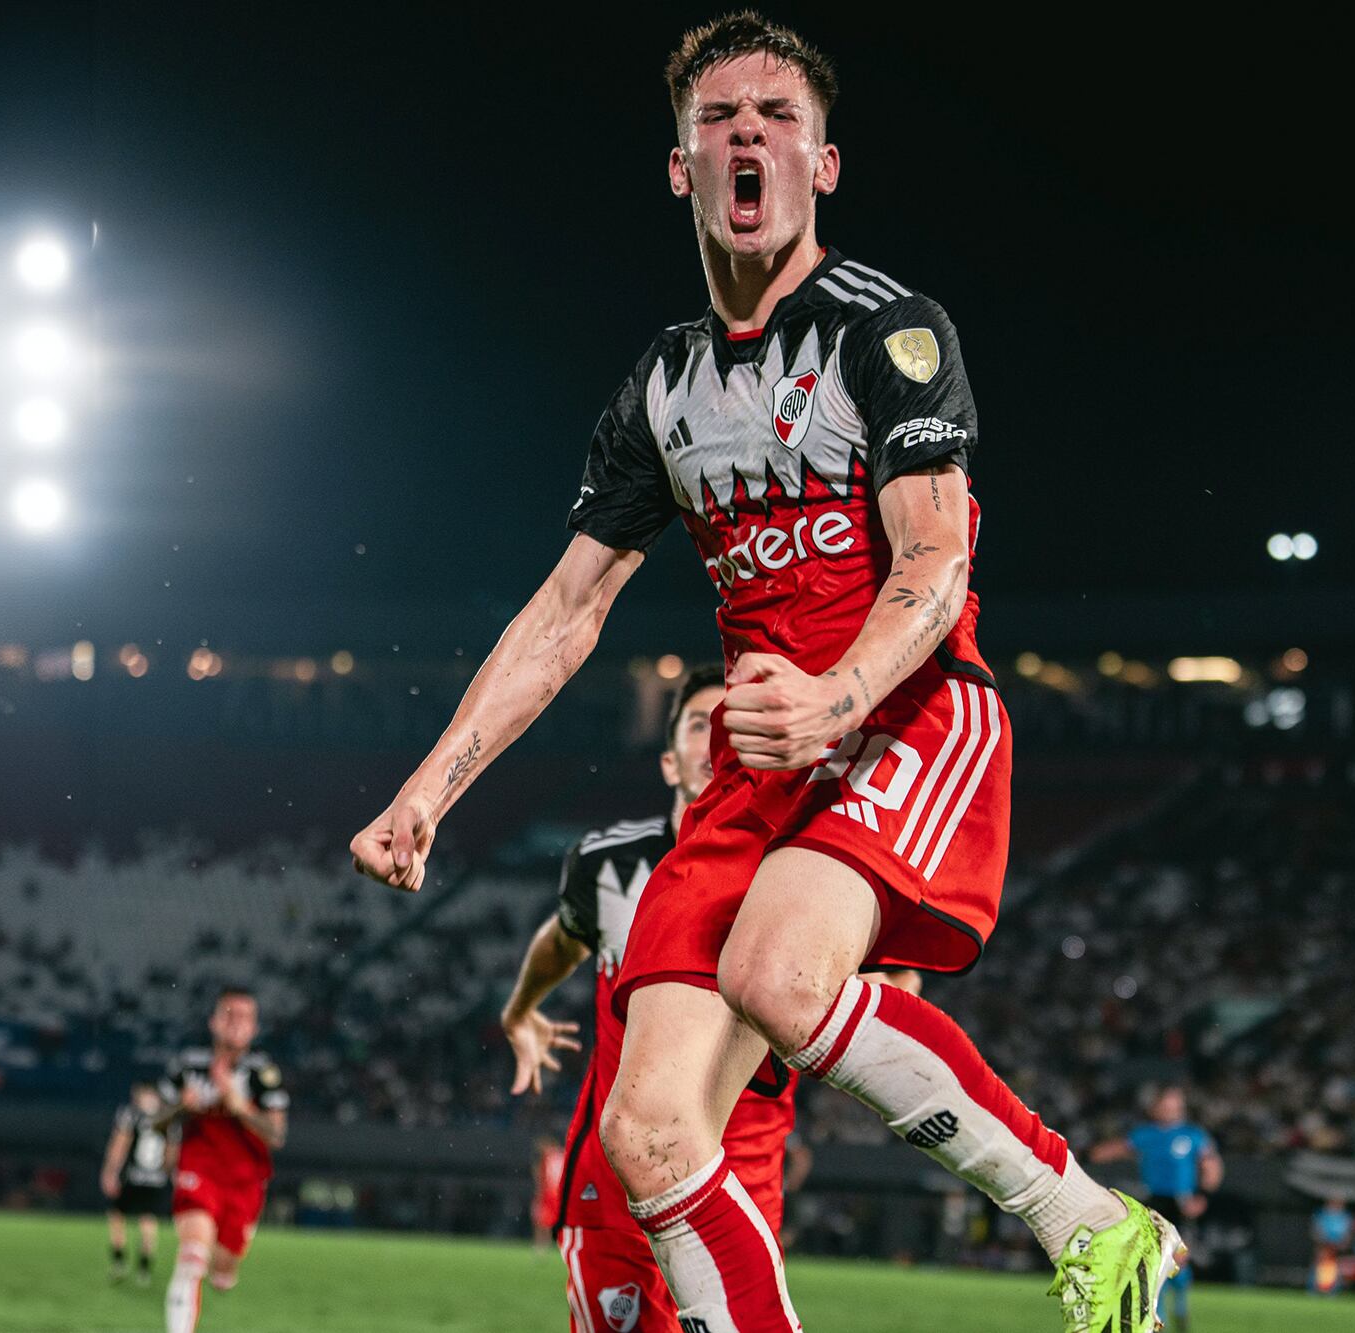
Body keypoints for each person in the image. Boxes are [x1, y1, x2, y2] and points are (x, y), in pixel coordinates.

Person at [350, 14, 1181, 1330]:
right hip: (761, 762)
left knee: (778, 980)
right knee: (648, 1129)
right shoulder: (662, 390)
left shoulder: (888, 331)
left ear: (824, 164)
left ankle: (1091, 1219)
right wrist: (429, 790)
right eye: (719, 120)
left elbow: (934, 565)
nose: (748, 135)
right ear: (682, 170)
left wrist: (839, 694)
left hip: (907, 714)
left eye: (777, 116)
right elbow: (568, 610)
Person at [507, 666, 904, 1332]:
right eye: (699, 723)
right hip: (613, 1182)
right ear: (668, 763)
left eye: (733, 717)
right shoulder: (609, 862)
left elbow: (894, 983)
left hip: (741, 1179)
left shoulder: (807, 869)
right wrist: (521, 1009)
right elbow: (562, 937)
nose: (719, 732)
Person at [154, 987, 289, 1333]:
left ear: (255, 1028)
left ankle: (225, 1266)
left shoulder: (263, 1073)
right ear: (214, 1021)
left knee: (223, 1271)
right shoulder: (188, 1065)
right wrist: (183, 1106)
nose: (236, 1024)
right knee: (192, 1256)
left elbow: (276, 1135)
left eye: (245, 1018)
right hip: (200, 1168)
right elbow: (155, 1120)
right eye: (229, 1014)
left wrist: (240, 1107)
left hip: (244, 1180)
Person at [1090, 1086, 1222, 1330]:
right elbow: (1114, 1149)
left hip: (1182, 1203)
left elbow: (1212, 1166)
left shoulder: (1192, 1135)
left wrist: (1202, 1196)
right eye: (1168, 1104)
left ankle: (1180, 1305)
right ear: (1156, 1107)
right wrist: (1082, 1154)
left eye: (1176, 1105)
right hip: (1154, 1204)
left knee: (1179, 1257)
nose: (1172, 1109)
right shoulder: (1146, 1134)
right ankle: (1157, 1313)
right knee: (1152, 1260)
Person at [100, 1080, 172, 1286]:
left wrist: (110, 1172)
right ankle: (144, 1268)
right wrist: (168, 1173)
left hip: (132, 1176)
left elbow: (119, 1145)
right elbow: (171, 1152)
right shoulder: (167, 1117)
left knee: (117, 1215)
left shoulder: (131, 1114)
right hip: (156, 1178)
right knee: (148, 1220)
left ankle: (119, 1261)